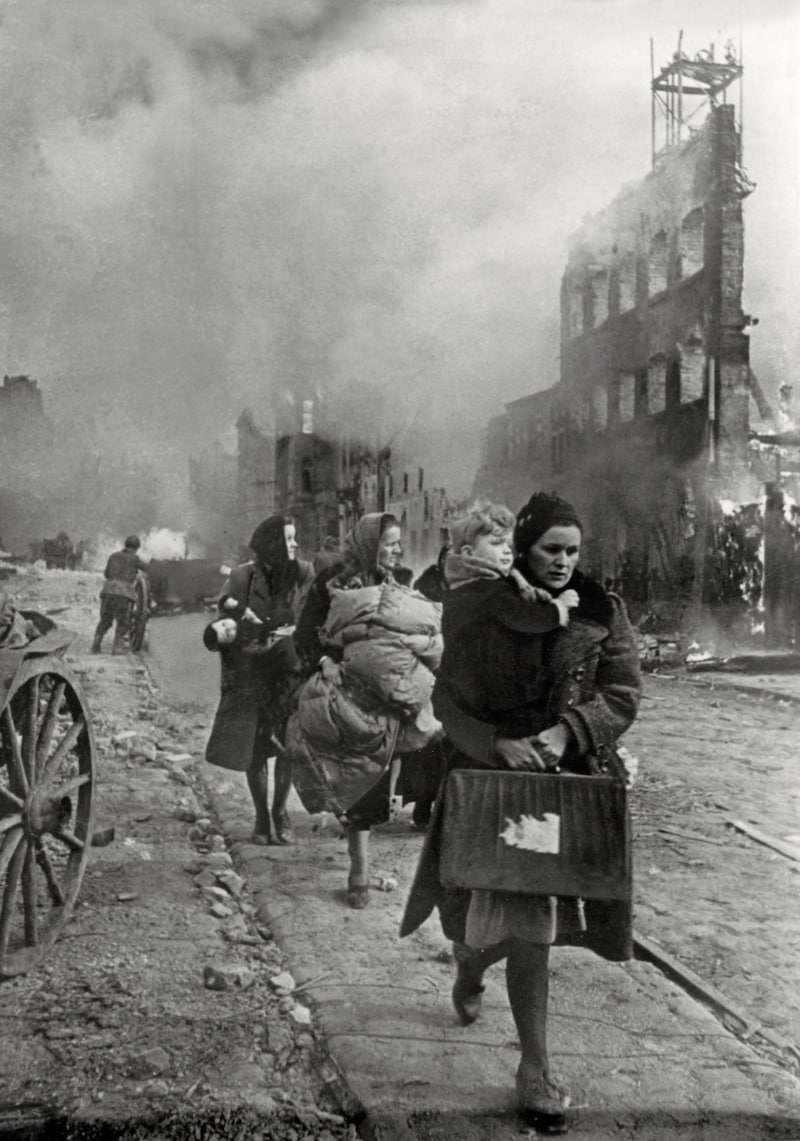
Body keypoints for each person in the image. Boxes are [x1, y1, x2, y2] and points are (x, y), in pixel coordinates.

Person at [400, 492, 641, 1135]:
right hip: (490, 781)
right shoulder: (485, 608)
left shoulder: (599, 610)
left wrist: (568, 733)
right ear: (527, 549)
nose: (562, 562)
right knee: (484, 922)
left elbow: (621, 695)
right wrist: (497, 743)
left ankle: (533, 1068)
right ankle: (473, 963)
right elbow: (448, 702)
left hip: (565, 782)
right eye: (550, 550)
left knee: (532, 920)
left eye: (573, 551)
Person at [291, 512, 442, 907]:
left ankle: (360, 851)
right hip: (347, 696)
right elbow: (305, 635)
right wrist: (324, 661)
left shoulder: (402, 584)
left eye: (398, 543)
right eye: (389, 543)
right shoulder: (332, 585)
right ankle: (358, 871)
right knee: (356, 776)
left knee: (374, 779)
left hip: (387, 696)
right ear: (368, 545)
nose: (396, 551)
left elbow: (419, 631)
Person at [203, 515, 314, 845]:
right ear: (272, 544)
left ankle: (280, 811)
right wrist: (244, 626)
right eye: (288, 538)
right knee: (256, 750)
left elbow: (316, 613)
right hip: (255, 677)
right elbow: (225, 618)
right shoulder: (242, 576)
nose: (294, 544)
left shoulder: (304, 573)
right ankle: (262, 816)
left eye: (295, 537)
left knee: (288, 749)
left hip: (291, 676)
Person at [91, 535, 148, 654]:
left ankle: (95, 644)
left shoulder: (113, 556)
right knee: (123, 621)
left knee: (105, 619)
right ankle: (117, 648)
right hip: (123, 592)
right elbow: (147, 568)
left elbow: (106, 574)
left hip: (107, 590)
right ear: (137, 548)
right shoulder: (134, 558)